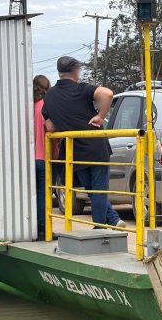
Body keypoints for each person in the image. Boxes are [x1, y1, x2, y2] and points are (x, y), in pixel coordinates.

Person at [42, 56, 125, 228]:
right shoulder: (81, 89)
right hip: (96, 148)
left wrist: (65, 121)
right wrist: (101, 116)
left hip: (75, 151)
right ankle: (100, 227)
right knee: (99, 189)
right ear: (74, 71)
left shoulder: (50, 96)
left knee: (91, 190)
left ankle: (113, 219)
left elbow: (49, 126)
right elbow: (108, 94)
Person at [33, 75, 59, 239]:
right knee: (45, 195)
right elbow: (50, 128)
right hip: (46, 157)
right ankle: (44, 229)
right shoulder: (45, 107)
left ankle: (34, 227)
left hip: (31, 158)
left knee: (34, 195)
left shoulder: (30, 106)